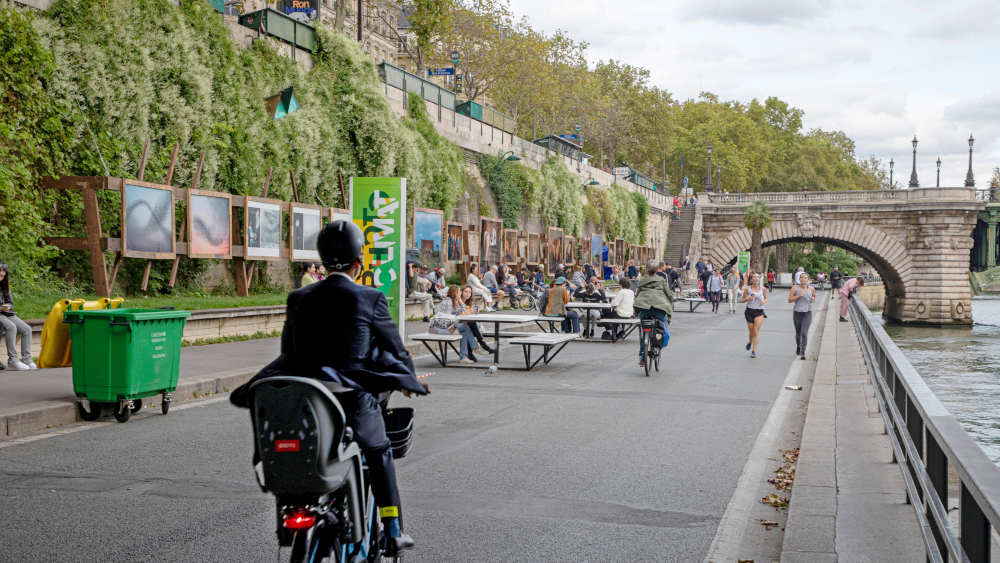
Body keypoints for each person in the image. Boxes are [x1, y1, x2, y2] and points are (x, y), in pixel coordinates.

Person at [230, 221, 428, 555]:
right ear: (358, 261)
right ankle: (394, 529)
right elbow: (394, 351)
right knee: (379, 452)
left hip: (305, 402)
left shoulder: (299, 298)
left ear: (322, 259)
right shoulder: (370, 297)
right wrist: (405, 380)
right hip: (351, 402)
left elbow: (288, 354)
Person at [634, 260, 674, 367]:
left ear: (647, 269)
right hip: (659, 308)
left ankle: (643, 355)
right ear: (657, 270)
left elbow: (637, 294)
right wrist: (671, 304)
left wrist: (635, 310)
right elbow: (669, 295)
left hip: (644, 308)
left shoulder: (642, 280)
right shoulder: (661, 280)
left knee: (644, 332)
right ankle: (658, 346)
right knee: (663, 324)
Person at [429, 286, 479, 363]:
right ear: (455, 293)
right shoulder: (448, 302)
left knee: (465, 330)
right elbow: (447, 318)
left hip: (444, 327)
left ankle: (464, 357)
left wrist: (461, 302)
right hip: (438, 328)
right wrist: (459, 319)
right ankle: (473, 348)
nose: (461, 293)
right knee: (465, 328)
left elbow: (460, 312)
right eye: (459, 292)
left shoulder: (454, 301)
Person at [0, 263, 35, 370]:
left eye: (2, 276)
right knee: (11, 327)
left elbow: (10, 302)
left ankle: (27, 359)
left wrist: (8, 306)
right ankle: (13, 360)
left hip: (6, 313)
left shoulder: (4, 286)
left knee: (27, 329)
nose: (0, 278)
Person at [459, 285, 495, 353]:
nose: (467, 294)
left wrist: (472, 312)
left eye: (469, 292)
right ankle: (482, 344)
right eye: (466, 292)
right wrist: (470, 312)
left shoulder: (467, 302)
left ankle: (471, 353)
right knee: (471, 324)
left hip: (465, 324)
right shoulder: (458, 301)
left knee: (472, 324)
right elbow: (460, 315)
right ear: (461, 292)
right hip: (456, 325)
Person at [789, 272, 816, 359]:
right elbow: (789, 300)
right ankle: (798, 346)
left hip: (807, 313)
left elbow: (814, 298)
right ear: (799, 279)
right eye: (801, 277)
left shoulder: (811, 288)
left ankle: (803, 352)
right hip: (797, 313)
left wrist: (813, 299)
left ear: (808, 279)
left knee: (804, 333)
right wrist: (798, 296)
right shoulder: (795, 288)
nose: (803, 279)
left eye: (805, 278)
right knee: (798, 333)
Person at [741, 271, 767, 359]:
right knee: (751, 331)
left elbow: (765, 298)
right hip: (749, 311)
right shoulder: (747, 289)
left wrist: (764, 301)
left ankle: (754, 351)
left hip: (759, 311)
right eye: (754, 277)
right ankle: (750, 341)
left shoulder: (763, 289)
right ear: (751, 280)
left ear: (759, 279)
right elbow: (742, 300)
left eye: (757, 277)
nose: (756, 279)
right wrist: (748, 298)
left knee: (756, 331)